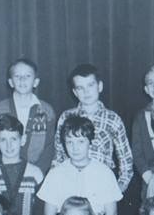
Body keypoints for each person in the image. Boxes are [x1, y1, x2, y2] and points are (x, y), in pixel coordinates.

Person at [38, 115, 123, 215]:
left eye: (81, 141)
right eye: (69, 142)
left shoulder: (104, 172)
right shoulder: (56, 173)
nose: (75, 147)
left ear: (90, 142)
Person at [53, 63, 133, 193]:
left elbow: (126, 161)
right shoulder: (66, 116)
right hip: (70, 184)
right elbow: (59, 155)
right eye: (80, 88)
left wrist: (116, 191)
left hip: (101, 185)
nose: (86, 92)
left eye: (90, 85)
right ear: (74, 92)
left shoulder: (113, 119)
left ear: (100, 86)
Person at [0, 58, 57, 174]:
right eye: (17, 76)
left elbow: (49, 147)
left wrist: (36, 172)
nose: (22, 80)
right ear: (10, 82)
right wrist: (6, 171)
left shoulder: (47, 111)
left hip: (37, 174)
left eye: (27, 76)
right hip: (5, 172)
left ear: (36, 82)